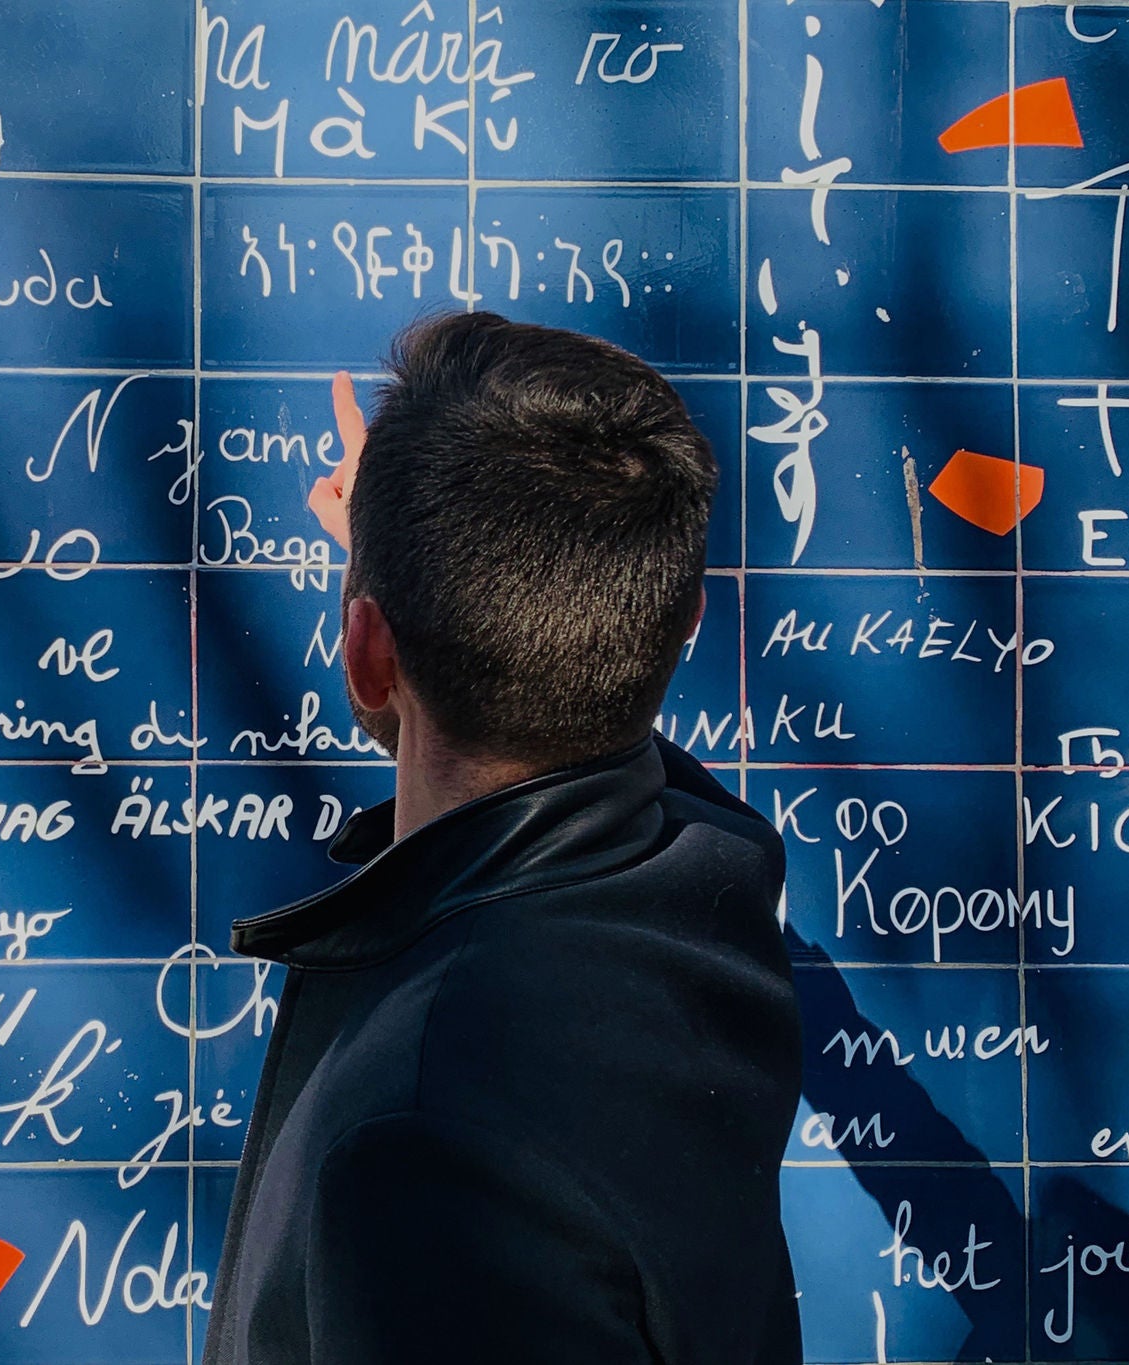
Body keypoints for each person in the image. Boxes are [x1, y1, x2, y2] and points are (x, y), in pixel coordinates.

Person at [201, 312, 804, 1363]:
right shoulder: (700, 881)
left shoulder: (424, 1146)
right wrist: (397, 576)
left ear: (364, 654)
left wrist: (410, 584)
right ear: (682, 620)